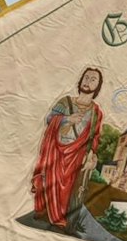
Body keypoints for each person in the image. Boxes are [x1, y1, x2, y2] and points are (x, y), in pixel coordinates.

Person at [30, 66, 105, 229]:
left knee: (70, 188)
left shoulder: (96, 112)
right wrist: (67, 119)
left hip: (77, 155)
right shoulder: (65, 102)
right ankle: (45, 214)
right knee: (50, 183)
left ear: (97, 86)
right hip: (56, 150)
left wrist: (92, 155)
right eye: (86, 77)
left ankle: (63, 220)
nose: (88, 82)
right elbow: (50, 119)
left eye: (93, 80)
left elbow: (95, 136)